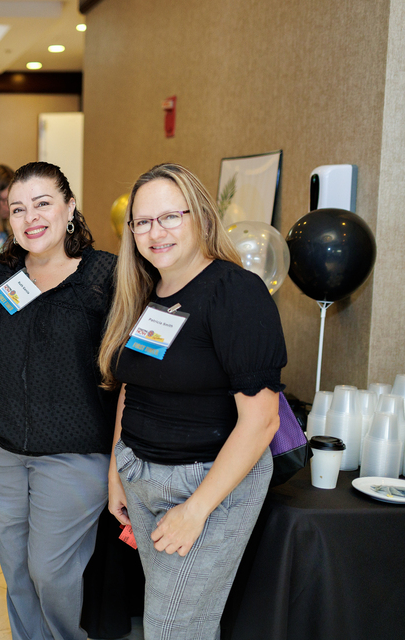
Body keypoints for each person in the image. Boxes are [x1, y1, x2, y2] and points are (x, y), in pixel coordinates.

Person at [98, 163, 285, 640]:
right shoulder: (147, 291)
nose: (155, 232)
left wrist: (196, 509)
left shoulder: (236, 293)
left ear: (200, 215)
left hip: (207, 484)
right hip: (141, 474)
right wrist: (117, 470)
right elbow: (132, 386)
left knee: (172, 628)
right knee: (179, 623)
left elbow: (262, 422)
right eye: (142, 221)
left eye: (169, 217)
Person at [0, 162, 117, 640]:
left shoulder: (106, 275)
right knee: (16, 572)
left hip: (75, 451)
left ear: (70, 207)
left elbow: (129, 373)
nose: (30, 218)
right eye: (18, 209)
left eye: (43, 204)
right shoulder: (1, 271)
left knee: (51, 571)